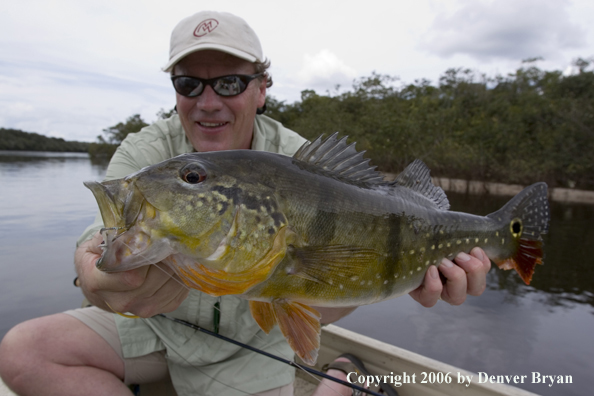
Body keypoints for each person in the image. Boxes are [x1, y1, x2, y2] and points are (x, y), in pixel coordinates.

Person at [0, 11, 491, 396]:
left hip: (254, 345)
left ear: (261, 89)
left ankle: (337, 381)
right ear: (175, 92)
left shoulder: (302, 166)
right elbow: (96, 244)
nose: (208, 101)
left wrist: (399, 276)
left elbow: (325, 299)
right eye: (188, 83)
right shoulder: (146, 156)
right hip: (157, 328)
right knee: (23, 352)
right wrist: (98, 275)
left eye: (230, 83)